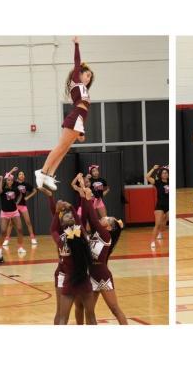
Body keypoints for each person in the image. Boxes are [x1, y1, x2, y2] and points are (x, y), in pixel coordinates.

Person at [35, 37, 91, 191]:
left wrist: (81, 131)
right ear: (79, 74)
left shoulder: (84, 89)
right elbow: (77, 61)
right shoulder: (75, 81)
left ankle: (50, 175)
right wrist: (77, 44)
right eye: (87, 75)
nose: (88, 78)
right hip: (75, 117)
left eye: (90, 77)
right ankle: (42, 171)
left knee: (65, 149)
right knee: (61, 147)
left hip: (79, 120)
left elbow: (84, 112)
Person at [73, 173, 128, 325]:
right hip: (91, 275)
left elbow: (92, 217)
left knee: (115, 309)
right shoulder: (96, 233)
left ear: (109, 227)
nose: (104, 217)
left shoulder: (105, 235)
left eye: (107, 219)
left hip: (102, 275)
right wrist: (84, 194)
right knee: (89, 311)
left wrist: (87, 196)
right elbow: (85, 217)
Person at [43, 187, 93, 325]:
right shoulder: (70, 234)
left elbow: (55, 225)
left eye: (71, 215)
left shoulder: (77, 233)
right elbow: (56, 220)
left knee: (79, 308)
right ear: (62, 222)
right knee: (60, 312)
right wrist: (54, 202)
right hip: (64, 273)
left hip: (78, 274)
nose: (70, 216)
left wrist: (59, 208)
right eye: (66, 216)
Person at [2, 171, 37, 246]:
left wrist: (28, 197)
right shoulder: (14, 183)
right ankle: (7, 239)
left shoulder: (26, 184)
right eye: (20, 174)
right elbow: (6, 178)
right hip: (14, 206)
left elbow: (35, 191)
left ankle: (32, 238)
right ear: (17, 176)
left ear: (24, 176)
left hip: (23, 205)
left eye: (23, 174)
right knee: (11, 223)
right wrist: (12, 171)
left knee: (28, 222)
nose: (21, 175)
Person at [0, 168, 23, 251]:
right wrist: (1, 180)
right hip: (5, 213)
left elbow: (20, 195)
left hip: (14, 212)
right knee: (3, 231)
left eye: (11, 180)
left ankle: (20, 247)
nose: (10, 181)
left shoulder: (15, 189)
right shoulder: (3, 189)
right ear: (6, 181)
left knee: (19, 229)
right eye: (8, 180)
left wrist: (17, 203)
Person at [146, 165, 169, 250]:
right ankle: (152, 241)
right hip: (160, 205)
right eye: (163, 173)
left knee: (165, 223)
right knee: (157, 224)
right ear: (160, 175)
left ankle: (160, 231)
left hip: (169, 205)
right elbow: (147, 177)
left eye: (166, 173)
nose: (165, 174)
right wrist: (153, 169)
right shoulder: (158, 182)